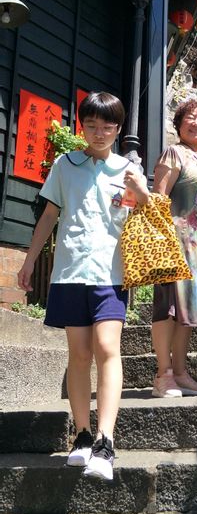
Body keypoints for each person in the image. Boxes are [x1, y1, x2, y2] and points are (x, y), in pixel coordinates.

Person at [17, 92, 149, 480]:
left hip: (112, 273)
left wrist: (140, 191)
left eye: (107, 126)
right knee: (78, 354)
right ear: (81, 126)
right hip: (71, 270)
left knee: (108, 347)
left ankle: (106, 442)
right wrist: (29, 260)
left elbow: (146, 212)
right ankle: (82, 435)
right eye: (91, 125)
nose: (99, 132)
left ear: (119, 129)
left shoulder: (128, 169)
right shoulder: (65, 165)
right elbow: (49, 215)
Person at [151, 99, 197, 397]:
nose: (196, 122)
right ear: (179, 124)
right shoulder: (173, 153)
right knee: (167, 310)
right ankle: (162, 375)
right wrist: (162, 236)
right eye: (190, 117)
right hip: (175, 242)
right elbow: (157, 197)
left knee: (188, 313)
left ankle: (180, 373)